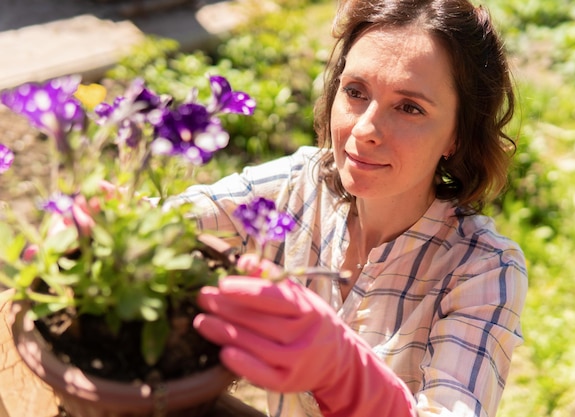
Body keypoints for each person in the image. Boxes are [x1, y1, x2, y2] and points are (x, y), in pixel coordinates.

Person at [178, 0, 528, 416]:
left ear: (457, 135)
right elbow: (165, 220)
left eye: (409, 107)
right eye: (356, 92)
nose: (364, 130)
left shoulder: (483, 268)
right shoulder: (297, 184)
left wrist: (346, 373)